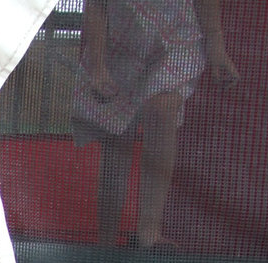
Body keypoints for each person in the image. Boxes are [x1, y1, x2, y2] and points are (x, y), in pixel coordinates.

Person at [73, 0, 239, 248]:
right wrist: (97, 68)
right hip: (120, 41)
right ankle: (106, 239)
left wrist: (216, 48)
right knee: (117, 137)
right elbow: (97, 6)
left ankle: (149, 231)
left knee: (161, 110)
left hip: (176, 39)